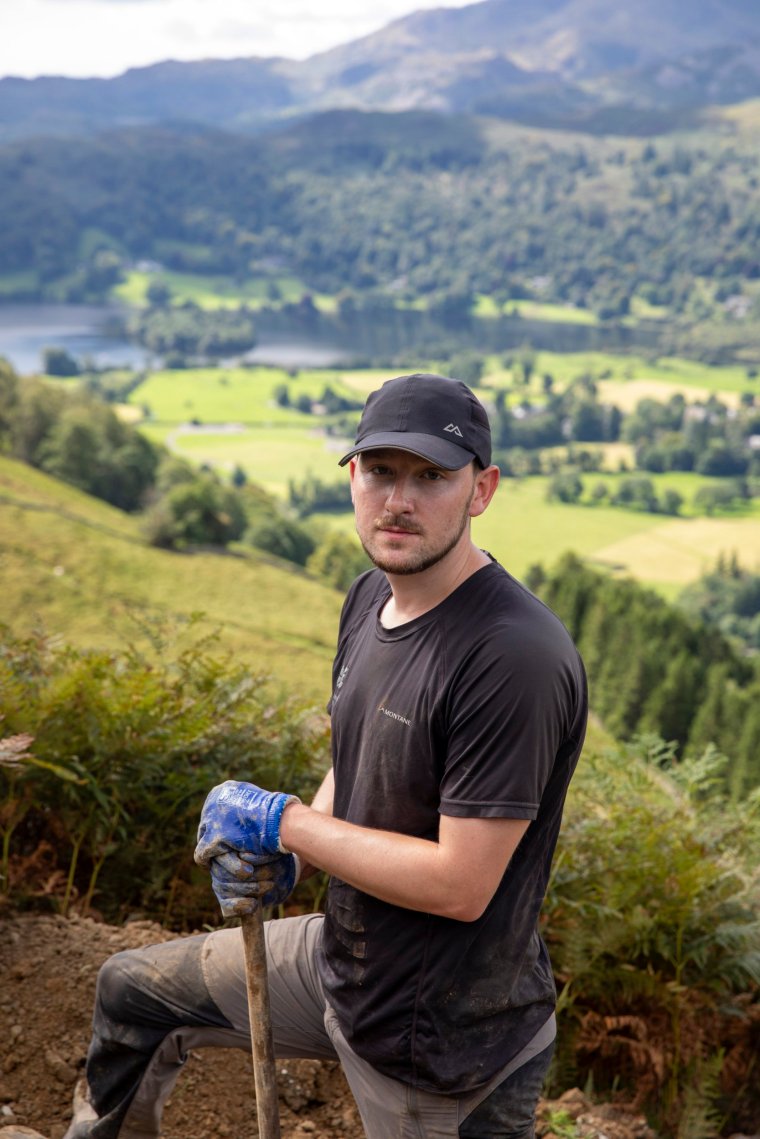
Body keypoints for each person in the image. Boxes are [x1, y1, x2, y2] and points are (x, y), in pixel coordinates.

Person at [64, 372, 587, 1139]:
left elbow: (461, 884)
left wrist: (288, 825)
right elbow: (362, 756)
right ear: (352, 477)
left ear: (483, 489)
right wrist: (296, 855)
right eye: (381, 471)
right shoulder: (369, 596)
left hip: (443, 1047)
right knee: (133, 995)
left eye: (432, 477)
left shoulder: (511, 657)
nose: (399, 500)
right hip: (342, 965)